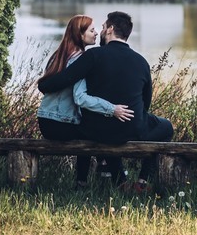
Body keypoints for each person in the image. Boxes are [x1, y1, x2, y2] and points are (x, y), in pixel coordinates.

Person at [38, 10, 174, 192]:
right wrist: (133, 117)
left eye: (102, 27)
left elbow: (65, 79)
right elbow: (145, 101)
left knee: (102, 130)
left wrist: (44, 85)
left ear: (110, 29)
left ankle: (104, 180)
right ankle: (142, 180)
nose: (99, 31)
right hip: (130, 127)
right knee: (166, 127)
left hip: (95, 129)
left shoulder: (93, 56)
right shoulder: (141, 62)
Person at [37, 14, 134, 188]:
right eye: (91, 30)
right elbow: (80, 98)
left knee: (87, 127)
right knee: (100, 131)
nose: (96, 33)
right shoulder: (79, 59)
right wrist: (112, 109)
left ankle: (83, 181)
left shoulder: (59, 55)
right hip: (61, 123)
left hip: (46, 121)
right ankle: (119, 180)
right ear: (80, 35)